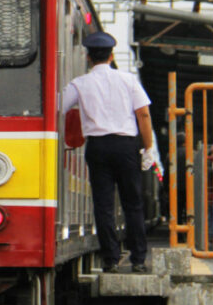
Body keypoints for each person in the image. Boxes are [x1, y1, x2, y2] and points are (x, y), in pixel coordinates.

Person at [61, 31, 159, 273]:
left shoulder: (80, 83)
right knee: (133, 204)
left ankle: (111, 260)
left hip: (98, 147)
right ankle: (138, 260)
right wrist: (148, 148)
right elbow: (143, 114)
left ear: (87, 57)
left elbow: (57, 106)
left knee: (103, 205)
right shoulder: (128, 80)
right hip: (126, 147)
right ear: (112, 56)